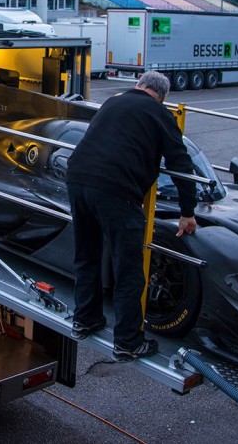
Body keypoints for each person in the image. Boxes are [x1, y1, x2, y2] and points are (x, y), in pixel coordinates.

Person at [65, 70, 198, 362]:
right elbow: (180, 161)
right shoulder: (160, 113)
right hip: (116, 190)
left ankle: (84, 320)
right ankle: (127, 341)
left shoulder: (113, 102)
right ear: (161, 96)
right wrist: (187, 211)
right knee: (127, 268)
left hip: (77, 180)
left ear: (138, 86)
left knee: (87, 256)